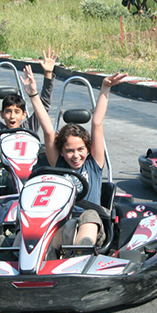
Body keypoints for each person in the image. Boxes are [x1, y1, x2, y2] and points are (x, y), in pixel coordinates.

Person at [21, 64, 127, 247]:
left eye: (80, 150)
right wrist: (33, 95)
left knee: (90, 216)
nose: (75, 155)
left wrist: (105, 87)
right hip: (62, 220)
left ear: (88, 149)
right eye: (69, 151)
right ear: (61, 151)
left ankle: (81, 252)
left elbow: (97, 123)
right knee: (46, 221)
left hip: (91, 222)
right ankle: (37, 256)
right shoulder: (59, 163)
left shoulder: (93, 164)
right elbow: (47, 130)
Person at [0, 49, 57, 196]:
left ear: (23, 115)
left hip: (29, 175)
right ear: (2, 114)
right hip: (4, 177)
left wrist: (48, 74)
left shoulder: (30, 127)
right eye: (8, 112)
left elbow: (44, 106)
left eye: (17, 112)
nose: (12, 117)